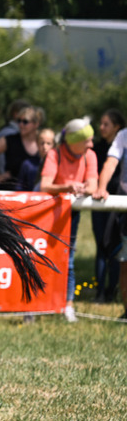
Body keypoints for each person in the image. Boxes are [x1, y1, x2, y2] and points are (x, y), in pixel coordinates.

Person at [40, 118, 98, 323]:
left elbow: (93, 184)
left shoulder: (90, 155)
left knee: (69, 260)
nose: (91, 144)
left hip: (71, 215)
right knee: (42, 257)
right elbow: (45, 185)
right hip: (49, 214)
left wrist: (83, 188)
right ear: (74, 141)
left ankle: (68, 305)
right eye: (87, 141)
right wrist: (68, 187)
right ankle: (39, 303)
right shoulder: (54, 155)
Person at [92, 112, 127, 317]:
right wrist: (101, 187)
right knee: (123, 261)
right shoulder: (123, 136)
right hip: (122, 206)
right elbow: (110, 163)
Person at [0, 105, 42, 190]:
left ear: (36, 124)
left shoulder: (42, 142)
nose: (21, 124)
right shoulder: (10, 140)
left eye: (25, 122)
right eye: (19, 121)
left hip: (33, 193)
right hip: (9, 192)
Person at [0, 99, 32, 187]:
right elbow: (2, 161)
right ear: (16, 114)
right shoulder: (11, 135)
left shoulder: (4, 131)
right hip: (2, 186)